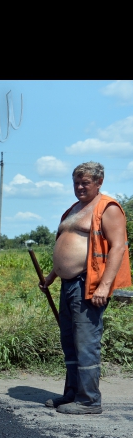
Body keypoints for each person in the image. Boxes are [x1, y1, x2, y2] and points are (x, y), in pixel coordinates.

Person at [39, 161, 131, 414]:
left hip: (88, 285)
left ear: (99, 182)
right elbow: (68, 247)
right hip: (68, 284)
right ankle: (72, 394)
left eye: (85, 182)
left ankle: (89, 400)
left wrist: (104, 285)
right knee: (69, 340)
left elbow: (118, 247)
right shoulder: (74, 209)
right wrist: (51, 276)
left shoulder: (108, 208)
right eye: (76, 182)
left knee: (86, 342)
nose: (79, 187)